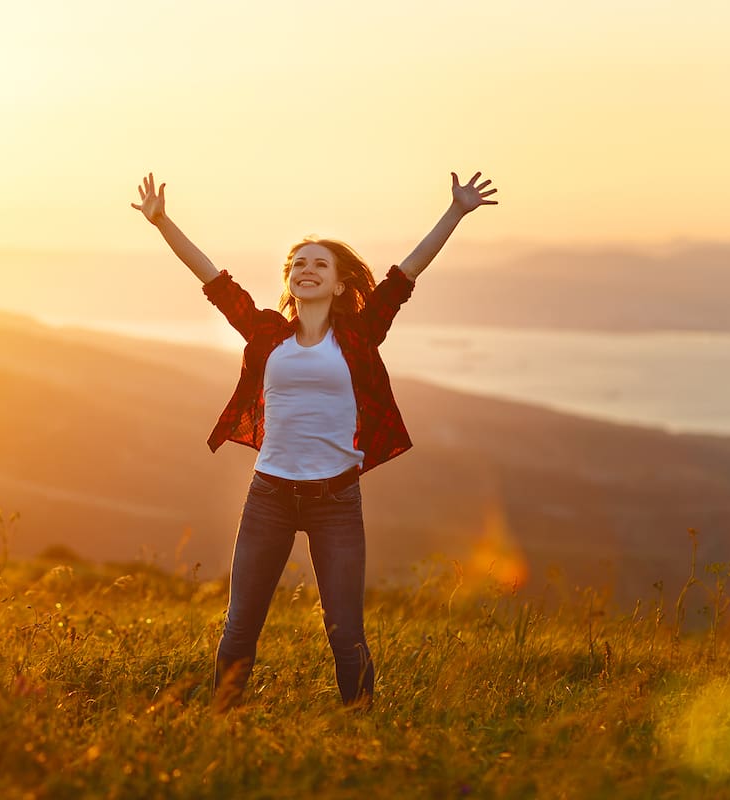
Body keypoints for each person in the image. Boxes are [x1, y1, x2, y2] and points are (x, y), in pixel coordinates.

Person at [130, 170, 498, 710]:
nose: (306, 270)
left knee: (346, 635)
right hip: (269, 498)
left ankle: (362, 729)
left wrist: (456, 212)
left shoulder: (360, 332)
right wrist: (162, 222)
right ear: (290, 280)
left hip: (336, 502)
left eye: (319, 264)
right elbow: (212, 279)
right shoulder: (266, 333)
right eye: (298, 263)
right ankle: (219, 727)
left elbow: (406, 272)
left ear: (340, 284)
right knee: (238, 631)